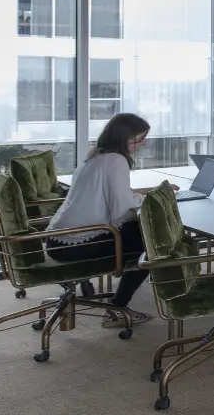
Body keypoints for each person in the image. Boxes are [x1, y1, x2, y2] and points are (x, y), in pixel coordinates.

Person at [46, 113, 176, 327]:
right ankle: (117, 308)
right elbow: (122, 209)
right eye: (139, 138)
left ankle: (118, 304)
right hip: (76, 245)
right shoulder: (116, 160)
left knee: (139, 234)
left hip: (57, 239)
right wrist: (155, 201)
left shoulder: (97, 156)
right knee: (152, 243)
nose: (142, 144)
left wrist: (149, 194)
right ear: (124, 137)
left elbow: (117, 196)